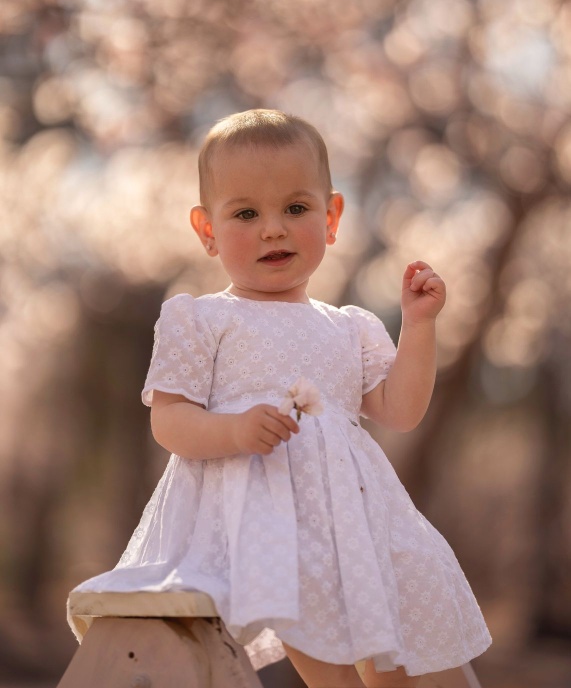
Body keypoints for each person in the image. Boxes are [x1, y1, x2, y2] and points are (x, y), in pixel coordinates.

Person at [68, 109, 491, 687]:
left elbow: (400, 410)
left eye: (296, 208)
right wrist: (234, 430)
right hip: (259, 521)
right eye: (246, 213)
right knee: (334, 670)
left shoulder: (349, 327)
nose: (274, 228)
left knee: (419, 658)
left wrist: (418, 327)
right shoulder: (204, 318)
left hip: (359, 521)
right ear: (206, 230)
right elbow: (169, 420)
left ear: (332, 215)